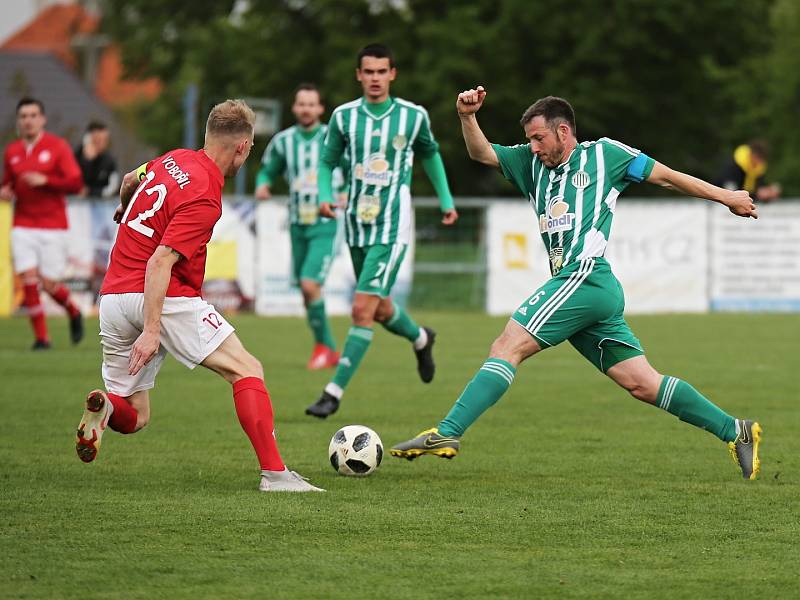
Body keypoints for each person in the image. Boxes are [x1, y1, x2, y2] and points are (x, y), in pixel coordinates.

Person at [391, 89, 763, 481]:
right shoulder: (529, 163)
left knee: (507, 345)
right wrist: (467, 117)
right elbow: (482, 153)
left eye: (539, 139)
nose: (532, 148)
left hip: (585, 275)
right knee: (641, 383)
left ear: (563, 131)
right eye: (530, 140)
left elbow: (667, 177)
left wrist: (727, 196)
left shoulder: (605, 155)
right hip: (583, 289)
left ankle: (447, 433)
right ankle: (735, 430)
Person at [74, 99, 323, 493]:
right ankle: (276, 475)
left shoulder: (170, 160)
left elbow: (127, 180)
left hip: (113, 297)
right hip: (162, 297)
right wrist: (153, 329)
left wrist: (125, 212)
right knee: (247, 370)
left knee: (135, 414)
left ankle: (106, 410)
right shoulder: (207, 194)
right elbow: (159, 262)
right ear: (242, 147)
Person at [305, 43, 459, 418]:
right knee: (378, 308)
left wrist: (445, 199)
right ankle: (422, 338)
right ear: (359, 75)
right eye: (368, 72)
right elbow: (326, 163)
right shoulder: (343, 117)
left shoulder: (412, 116)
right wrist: (325, 195)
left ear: (393, 74)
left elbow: (430, 154)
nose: (374, 78)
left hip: (393, 226)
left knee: (361, 308)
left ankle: (332, 392)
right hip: (356, 224)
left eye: (381, 71)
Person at [255, 83, 345, 370]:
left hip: (325, 221)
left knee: (309, 284)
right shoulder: (283, 141)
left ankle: (325, 348)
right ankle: (327, 349)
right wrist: (263, 185)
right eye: (301, 104)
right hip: (297, 223)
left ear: (320, 108)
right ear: (295, 108)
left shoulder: (334, 136)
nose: (306, 109)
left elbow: (354, 168)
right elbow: (268, 169)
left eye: (311, 104)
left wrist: (346, 192)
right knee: (307, 292)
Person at [0, 97, 84, 350]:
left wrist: (45, 181)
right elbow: (8, 183)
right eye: (24, 116)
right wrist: (6, 191)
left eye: (33, 115)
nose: (28, 120)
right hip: (23, 224)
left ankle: (73, 310)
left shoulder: (57, 147)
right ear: (19, 121)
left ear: (42, 119)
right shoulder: (12, 151)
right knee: (27, 278)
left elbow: (75, 183)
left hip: (53, 225)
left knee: (48, 285)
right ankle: (42, 338)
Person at [713, 140, 780, 202]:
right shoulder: (733, 166)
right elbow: (731, 194)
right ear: (751, 155)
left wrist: (768, 191)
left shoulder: (759, 169)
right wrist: (757, 194)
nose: (759, 163)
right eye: (758, 159)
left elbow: (758, 187)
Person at [75, 120, 120, 198]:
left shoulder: (109, 161)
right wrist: (88, 161)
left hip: (101, 205)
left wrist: (91, 192)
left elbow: (113, 188)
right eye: (98, 140)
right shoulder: (76, 156)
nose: (103, 143)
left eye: (105, 140)